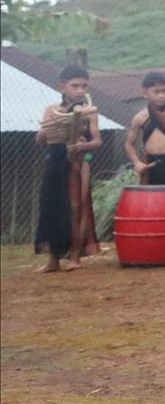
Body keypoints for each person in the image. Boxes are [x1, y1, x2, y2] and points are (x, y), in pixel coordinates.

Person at [33, 65, 100, 272]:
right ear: (62, 87)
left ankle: (74, 257)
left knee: (75, 207)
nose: (80, 90)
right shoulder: (52, 110)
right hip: (55, 162)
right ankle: (53, 259)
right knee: (52, 207)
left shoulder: (90, 112)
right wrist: (53, 127)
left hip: (78, 163)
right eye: (75, 86)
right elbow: (41, 139)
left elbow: (97, 142)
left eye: (84, 86)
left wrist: (82, 146)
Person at [124, 71, 165, 185]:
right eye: (156, 92)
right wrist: (137, 163)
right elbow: (129, 144)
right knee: (150, 199)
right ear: (145, 92)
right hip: (150, 162)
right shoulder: (140, 117)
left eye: (164, 91)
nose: (161, 95)